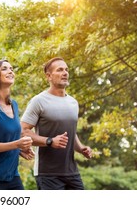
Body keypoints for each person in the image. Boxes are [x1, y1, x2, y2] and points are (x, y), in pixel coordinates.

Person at [21, 57, 93, 190]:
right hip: (48, 173)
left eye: (66, 70)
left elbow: (71, 132)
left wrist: (81, 148)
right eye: (60, 70)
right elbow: (23, 131)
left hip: (71, 171)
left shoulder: (73, 103)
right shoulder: (38, 101)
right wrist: (49, 141)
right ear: (48, 76)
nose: (65, 73)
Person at [0, 59, 34, 190]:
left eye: (11, 68)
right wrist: (17, 144)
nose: (10, 71)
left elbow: (9, 138)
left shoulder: (14, 105)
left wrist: (20, 150)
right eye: (4, 68)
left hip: (12, 175)